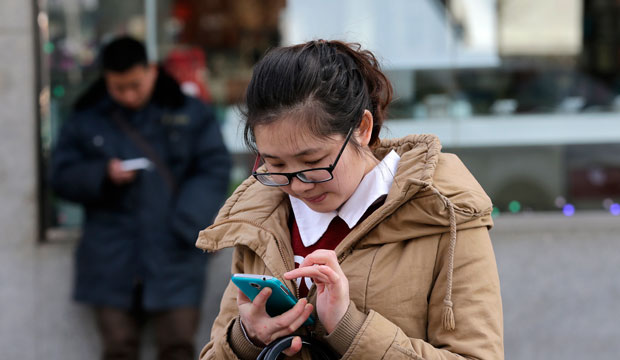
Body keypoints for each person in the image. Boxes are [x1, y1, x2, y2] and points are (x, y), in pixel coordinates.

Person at [196, 40, 503, 359]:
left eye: (313, 162)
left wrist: (349, 327)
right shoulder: (260, 218)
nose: (298, 185)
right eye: (276, 165)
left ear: (362, 128)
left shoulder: (441, 210)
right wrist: (248, 338)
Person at [51, 36, 231, 360]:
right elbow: (60, 175)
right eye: (119, 88)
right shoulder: (86, 116)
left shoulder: (189, 112)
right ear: (106, 79)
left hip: (175, 251)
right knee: (118, 348)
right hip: (110, 255)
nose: (129, 95)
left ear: (151, 70)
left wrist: (188, 224)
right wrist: (101, 175)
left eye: (135, 85)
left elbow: (214, 168)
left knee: (177, 347)